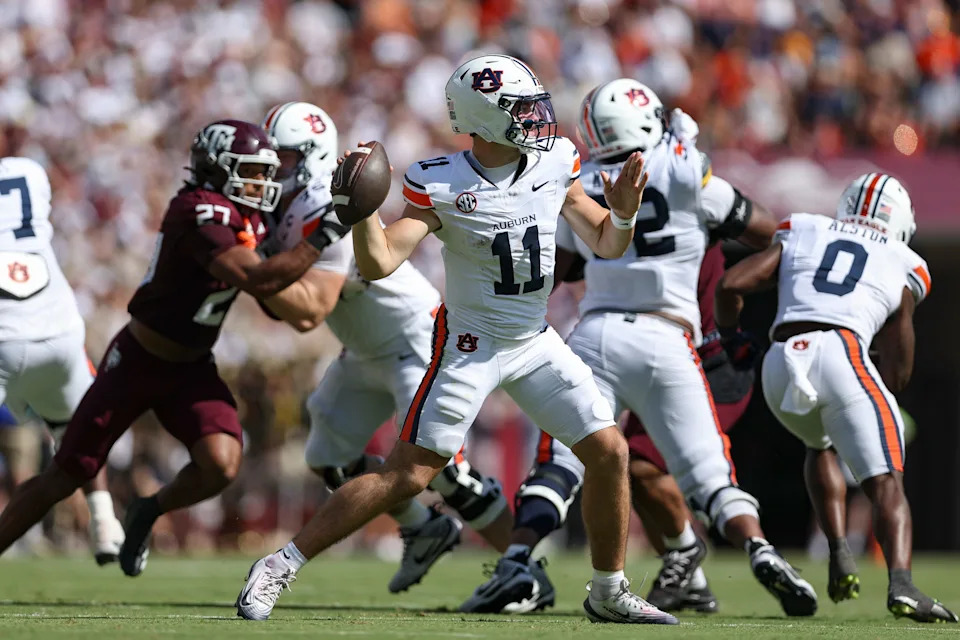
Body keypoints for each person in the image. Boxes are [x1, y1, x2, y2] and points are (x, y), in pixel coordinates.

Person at [236, 54, 677, 625]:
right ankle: (279, 564)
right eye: (522, 109)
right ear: (484, 117)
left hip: (534, 339)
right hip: (469, 344)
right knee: (407, 475)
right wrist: (361, 214)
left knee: (609, 451)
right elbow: (379, 262)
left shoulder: (556, 161)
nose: (538, 118)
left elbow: (608, 244)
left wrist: (621, 217)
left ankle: (608, 590)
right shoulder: (440, 179)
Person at [462, 79, 817, 618]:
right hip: (669, 337)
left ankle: (516, 558)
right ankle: (759, 548)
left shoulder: (579, 180)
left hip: (596, 335)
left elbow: (561, 267)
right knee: (709, 473)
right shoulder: (686, 171)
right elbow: (769, 233)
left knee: (560, 459)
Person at [0, 120, 348, 578]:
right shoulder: (196, 210)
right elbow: (258, 279)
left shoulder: (246, 212)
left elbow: (271, 291)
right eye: (251, 172)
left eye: (266, 173)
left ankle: (147, 510)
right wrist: (327, 231)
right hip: (138, 360)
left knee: (221, 464)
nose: (262, 184)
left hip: (192, 367)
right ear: (216, 167)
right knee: (65, 476)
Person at [258, 102, 514, 593]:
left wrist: (249, 274)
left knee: (444, 474)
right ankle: (424, 528)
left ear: (311, 157)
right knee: (329, 458)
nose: (275, 170)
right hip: (365, 348)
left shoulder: (322, 207)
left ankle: (524, 562)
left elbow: (309, 312)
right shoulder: (279, 209)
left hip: (414, 338)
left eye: (285, 159)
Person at [715, 172, 958, 623]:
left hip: (779, 363)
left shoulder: (806, 227)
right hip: (842, 351)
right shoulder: (904, 260)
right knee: (887, 481)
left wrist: (732, 346)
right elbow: (899, 375)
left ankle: (839, 550)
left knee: (818, 441)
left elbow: (730, 286)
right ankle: (902, 585)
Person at [0, 156, 125, 565]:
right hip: (56, 325)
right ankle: (104, 520)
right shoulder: (29, 172)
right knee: (80, 428)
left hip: (2, 332)